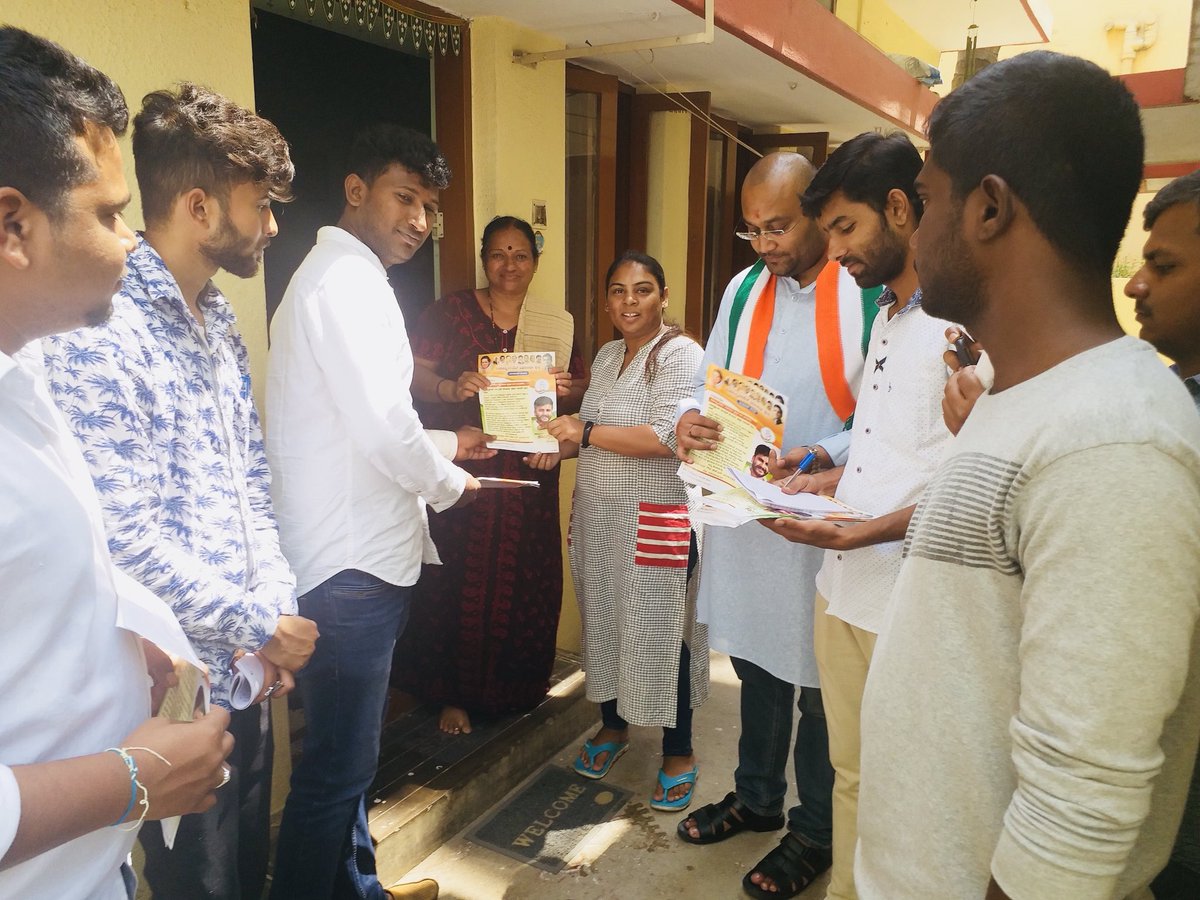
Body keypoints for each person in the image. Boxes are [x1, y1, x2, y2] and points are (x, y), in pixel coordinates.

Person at [855, 51, 1200, 900]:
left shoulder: (1113, 442)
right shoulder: (1022, 398)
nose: (913, 228)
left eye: (926, 199)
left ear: (989, 208)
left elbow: (1081, 803)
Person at [41, 83, 316, 900]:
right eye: (258, 206)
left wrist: (274, 607)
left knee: (246, 869)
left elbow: (251, 488)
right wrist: (261, 623)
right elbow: (122, 535)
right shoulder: (103, 327)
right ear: (199, 206)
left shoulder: (220, 316)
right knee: (197, 882)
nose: (271, 226)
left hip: (247, 669)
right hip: (173, 682)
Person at [0, 26, 232, 899]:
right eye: (107, 213)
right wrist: (133, 779)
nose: (131, 241)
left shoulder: (24, 374)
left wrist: (126, 639)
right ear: (13, 224)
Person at [267, 125, 485, 900]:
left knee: (347, 765)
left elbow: (363, 424)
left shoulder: (342, 278)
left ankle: (360, 889)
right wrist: (454, 481)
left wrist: (443, 446)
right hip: (349, 566)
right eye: (405, 197)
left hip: (355, 556)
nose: (420, 219)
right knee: (335, 772)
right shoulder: (344, 285)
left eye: (429, 205)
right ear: (356, 191)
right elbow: (384, 428)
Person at [674, 152, 879, 900]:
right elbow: (710, 384)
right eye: (752, 229)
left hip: (830, 520)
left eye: (779, 226)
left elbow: (886, 424)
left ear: (819, 211)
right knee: (759, 663)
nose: (763, 245)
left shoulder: (865, 292)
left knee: (823, 680)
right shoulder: (743, 288)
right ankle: (757, 799)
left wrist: (824, 459)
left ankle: (815, 828)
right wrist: (686, 419)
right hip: (750, 519)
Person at [760, 131, 954, 900]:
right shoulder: (886, 315)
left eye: (844, 228)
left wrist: (859, 528)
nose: (832, 249)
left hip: (907, 604)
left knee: (905, 793)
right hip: (842, 589)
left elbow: (966, 482)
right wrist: (822, 477)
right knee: (850, 776)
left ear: (900, 209)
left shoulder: (957, 328)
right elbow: (888, 453)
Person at [391, 215, 585, 735]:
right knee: (457, 578)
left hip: (531, 468)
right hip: (465, 466)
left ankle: (517, 688)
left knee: (526, 578)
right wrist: (452, 388)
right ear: (484, 259)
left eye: (520, 255)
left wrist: (565, 387)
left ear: (535, 263)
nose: (509, 265)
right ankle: (454, 695)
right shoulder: (448, 312)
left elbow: (583, 392)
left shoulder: (554, 322)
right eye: (498, 254)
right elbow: (410, 375)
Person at [543, 252, 707, 810]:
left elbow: (667, 438)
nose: (628, 302)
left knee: (662, 631)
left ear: (663, 295)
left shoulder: (683, 355)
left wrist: (584, 433)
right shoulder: (610, 354)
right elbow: (588, 436)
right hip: (598, 515)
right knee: (605, 621)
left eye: (642, 291)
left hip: (655, 518)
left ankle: (678, 751)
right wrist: (552, 446)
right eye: (618, 291)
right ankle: (613, 728)